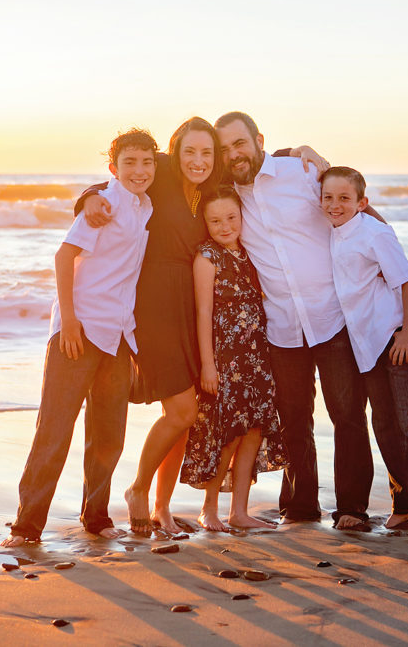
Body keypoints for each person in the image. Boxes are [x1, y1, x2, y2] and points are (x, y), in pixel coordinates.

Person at [76, 119, 326, 535]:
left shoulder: (213, 181)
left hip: (192, 308)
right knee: (182, 410)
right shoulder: (161, 173)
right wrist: (86, 198)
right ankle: (137, 490)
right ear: (174, 153)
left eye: (207, 152)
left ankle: (162, 507)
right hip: (155, 306)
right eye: (189, 152)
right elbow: (120, 178)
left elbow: (256, 159)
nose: (198, 160)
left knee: (188, 417)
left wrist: (299, 150)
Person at [214, 111, 373, 529]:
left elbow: (350, 208)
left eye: (240, 144)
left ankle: (353, 508)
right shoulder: (227, 193)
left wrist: (391, 267)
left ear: (258, 139)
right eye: (226, 148)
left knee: (348, 414)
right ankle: (301, 507)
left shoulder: (301, 172)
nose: (234, 154)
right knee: (294, 420)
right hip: (281, 325)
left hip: (331, 315)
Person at [2, 129, 156, 546]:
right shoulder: (103, 205)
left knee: (109, 434)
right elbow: (64, 256)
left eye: (147, 162)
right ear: (113, 168)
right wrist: (68, 320)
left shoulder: (146, 207)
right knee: (55, 430)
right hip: (80, 329)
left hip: (119, 334)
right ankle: (26, 527)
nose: (139, 171)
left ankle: (97, 517)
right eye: (130, 163)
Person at [320, 166, 408, 541]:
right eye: (328, 197)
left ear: (362, 202)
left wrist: (407, 333)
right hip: (367, 344)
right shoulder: (333, 232)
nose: (335, 204)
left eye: (344, 198)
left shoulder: (375, 232)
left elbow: (407, 280)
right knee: (386, 425)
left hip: (396, 335)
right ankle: (403, 505)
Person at [180, 186, 288, 531]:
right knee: (226, 434)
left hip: (257, 357)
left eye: (231, 218)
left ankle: (238, 512)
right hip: (225, 360)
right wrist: (208, 365)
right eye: (216, 221)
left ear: (242, 217)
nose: (225, 226)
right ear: (206, 223)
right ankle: (209, 510)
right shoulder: (206, 257)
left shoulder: (249, 253)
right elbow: (203, 313)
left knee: (253, 432)